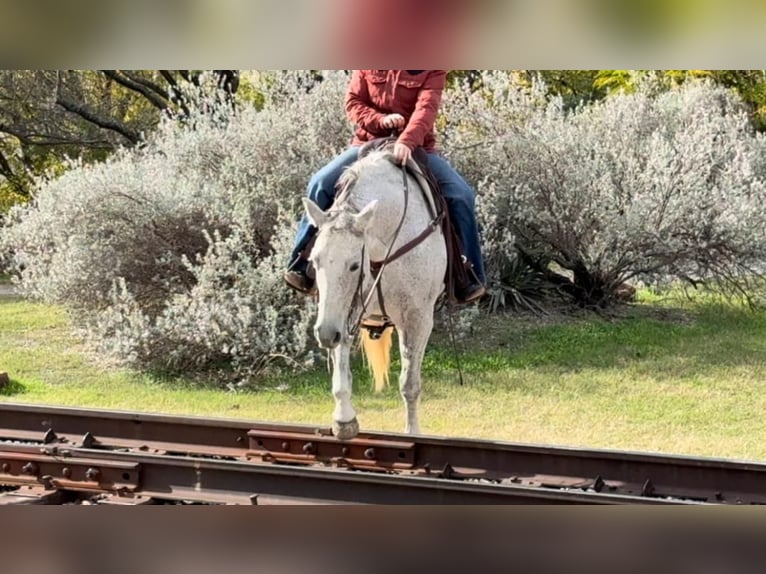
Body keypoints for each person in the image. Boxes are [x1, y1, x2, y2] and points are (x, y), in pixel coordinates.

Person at [284, 69, 486, 303]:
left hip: (417, 147)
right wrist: (380, 120)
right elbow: (353, 101)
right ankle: (301, 261)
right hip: (367, 143)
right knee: (320, 183)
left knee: (461, 196)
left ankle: (469, 274)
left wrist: (407, 140)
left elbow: (426, 108)